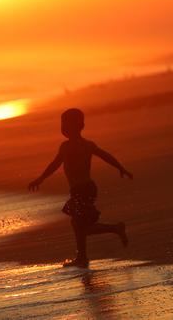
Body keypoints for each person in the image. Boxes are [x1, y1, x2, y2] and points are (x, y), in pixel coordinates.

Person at [28, 108, 132, 268]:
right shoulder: (87, 145)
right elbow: (106, 156)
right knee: (78, 224)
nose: (63, 127)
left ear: (68, 127)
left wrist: (40, 179)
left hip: (81, 190)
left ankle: (113, 230)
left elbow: (54, 165)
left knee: (81, 226)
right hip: (87, 188)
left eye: (65, 124)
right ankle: (83, 256)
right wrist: (121, 168)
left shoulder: (67, 146)